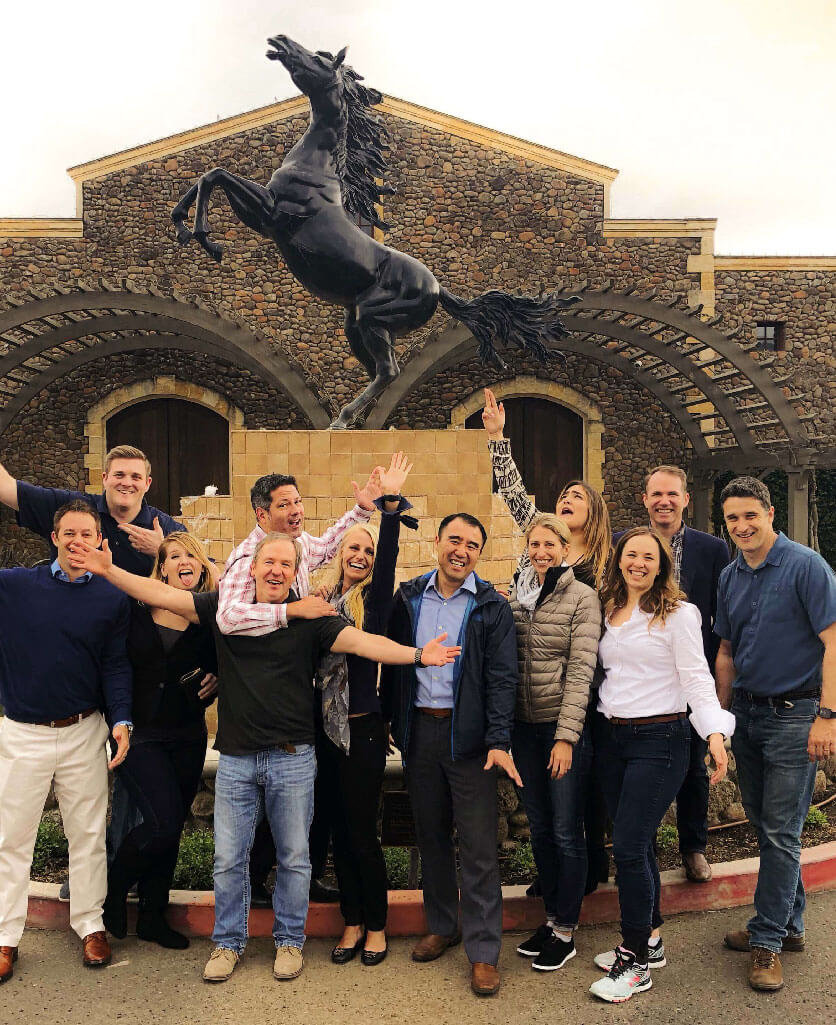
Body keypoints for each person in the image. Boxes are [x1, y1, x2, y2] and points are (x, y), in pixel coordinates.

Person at [74, 529, 461, 984]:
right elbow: (159, 593)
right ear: (251, 568)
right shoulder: (223, 611)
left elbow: (361, 643)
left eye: (286, 564)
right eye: (269, 562)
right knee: (229, 860)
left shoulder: (310, 620)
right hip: (237, 757)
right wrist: (108, 569)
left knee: (296, 858)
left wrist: (418, 655)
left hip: (293, 758)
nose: (276, 570)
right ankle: (228, 943)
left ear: (296, 572)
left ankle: (289, 942)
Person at [216, 464, 384, 906]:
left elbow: (331, 543)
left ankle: (296, 888)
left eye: (297, 501)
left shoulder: (298, 547)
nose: (295, 510)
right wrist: (293, 613)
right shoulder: (244, 560)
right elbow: (228, 617)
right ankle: (252, 893)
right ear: (261, 514)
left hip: (296, 705)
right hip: (257, 712)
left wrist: (363, 508)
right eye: (284, 504)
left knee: (301, 821)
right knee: (264, 828)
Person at [588, 526, 733, 1003]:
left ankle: (635, 962)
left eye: (649, 557)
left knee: (628, 846)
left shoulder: (680, 614)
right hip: (613, 738)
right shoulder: (609, 611)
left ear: (663, 565)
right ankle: (649, 938)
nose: (639, 563)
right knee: (639, 843)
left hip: (661, 739)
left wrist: (714, 732)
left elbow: (697, 678)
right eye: (632, 554)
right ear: (620, 560)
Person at [381, 512, 521, 997]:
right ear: (438, 542)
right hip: (420, 734)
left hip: (470, 743)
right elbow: (392, 662)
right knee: (432, 835)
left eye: (472, 545)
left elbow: (503, 679)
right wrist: (391, 724)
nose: (461, 551)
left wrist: (498, 740)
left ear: (480, 553)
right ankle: (443, 924)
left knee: (479, 847)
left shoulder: (490, 607)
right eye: (454, 540)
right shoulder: (409, 598)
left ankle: (484, 952)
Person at [482, 386, 612, 892]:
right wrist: (497, 438)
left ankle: (584, 870)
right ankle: (555, 874)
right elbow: (515, 494)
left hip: (582, 692)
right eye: (563, 495)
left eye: (578, 496)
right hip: (528, 696)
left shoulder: (602, 565)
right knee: (544, 801)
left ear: (594, 512)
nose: (566, 499)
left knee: (579, 795)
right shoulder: (538, 545)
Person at [0, 500, 132, 983]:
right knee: (11, 839)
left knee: (89, 836)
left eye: (87, 534)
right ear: (54, 537)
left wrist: (122, 720)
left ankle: (90, 925)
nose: (78, 542)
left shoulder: (111, 597)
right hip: (22, 733)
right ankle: (5, 937)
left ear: (101, 541)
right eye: (69, 533)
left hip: (84, 731)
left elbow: (116, 665)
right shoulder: (15, 587)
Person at [714, 476, 836, 993]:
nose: (742, 526)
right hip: (746, 716)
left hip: (795, 717)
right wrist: (718, 724)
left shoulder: (808, 567)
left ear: (769, 512)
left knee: (782, 834)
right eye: (732, 519)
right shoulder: (729, 575)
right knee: (769, 829)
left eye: (750, 515)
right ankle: (791, 925)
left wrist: (827, 717)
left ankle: (766, 941)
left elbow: (834, 642)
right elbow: (726, 653)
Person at [313, 452, 415, 967]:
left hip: (363, 732)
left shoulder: (374, 604)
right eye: (353, 546)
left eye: (367, 550)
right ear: (340, 554)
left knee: (361, 833)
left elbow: (390, 557)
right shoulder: (322, 602)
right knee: (336, 831)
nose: (360, 554)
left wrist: (388, 511)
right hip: (324, 736)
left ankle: (376, 926)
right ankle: (351, 922)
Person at [102, 532, 219, 950]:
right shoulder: (135, 610)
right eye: (174, 556)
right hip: (140, 734)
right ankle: (113, 886)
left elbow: (235, 664)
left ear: (202, 566)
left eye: (192, 555)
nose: (183, 561)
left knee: (171, 830)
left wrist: (219, 679)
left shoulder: (212, 617)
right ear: (162, 567)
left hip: (188, 736)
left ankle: (154, 915)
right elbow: (114, 666)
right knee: (163, 823)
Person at [620, 465, 731, 883]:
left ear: (685, 499)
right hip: (642, 680)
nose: (663, 501)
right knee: (635, 771)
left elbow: (721, 616)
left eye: (672, 494)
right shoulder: (626, 545)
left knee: (693, 766)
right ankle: (641, 852)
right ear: (644, 499)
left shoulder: (713, 549)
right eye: (656, 494)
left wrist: (718, 688)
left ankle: (693, 848)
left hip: (692, 673)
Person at [509, 514, 601, 973]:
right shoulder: (516, 595)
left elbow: (582, 671)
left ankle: (566, 929)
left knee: (567, 831)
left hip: (559, 731)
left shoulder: (582, 598)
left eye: (550, 544)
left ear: (565, 549)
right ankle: (549, 920)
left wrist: (566, 737)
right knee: (541, 829)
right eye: (535, 543)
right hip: (523, 730)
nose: (541, 551)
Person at [0, 445, 186, 572]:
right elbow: (6, 488)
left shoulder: (166, 528)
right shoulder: (70, 508)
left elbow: (205, 576)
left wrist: (163, 551)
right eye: (119, 474)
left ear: (147, 483)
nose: (126, 483)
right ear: (104, 478)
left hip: (140, 627)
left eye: (136, 477)